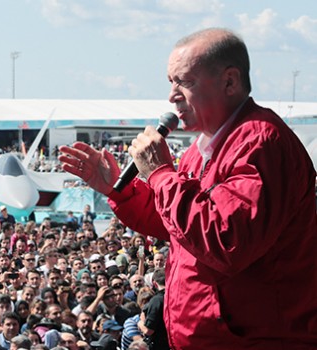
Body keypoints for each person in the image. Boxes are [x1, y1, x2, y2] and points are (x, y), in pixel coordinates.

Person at [59, 27, 317, 348]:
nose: (172, 95)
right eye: (171, 82)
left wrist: (162, 174)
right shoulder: (202, 148)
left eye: (184, 82)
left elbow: (227, 241)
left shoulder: (261, 142)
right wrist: (120, 190)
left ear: (229, 81)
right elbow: (177, 223)